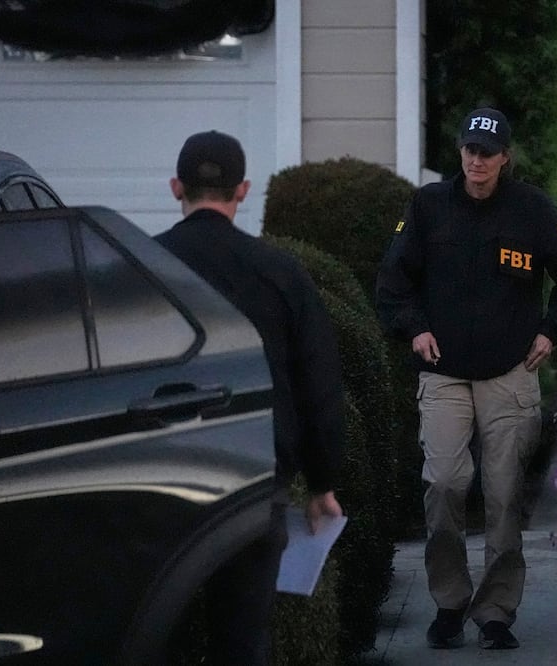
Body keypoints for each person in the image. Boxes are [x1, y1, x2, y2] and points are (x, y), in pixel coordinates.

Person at [375, 108, 557, 650]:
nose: (477, 160)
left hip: (510, 373)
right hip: (444, 371)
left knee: (503, 494)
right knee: (444, 483)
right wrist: (414, 329)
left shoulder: (534, 211)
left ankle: (495, 611)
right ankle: (449, 602)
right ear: (461, 152)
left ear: (505, 159)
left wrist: (553, 332)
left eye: (488, 152)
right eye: (470, 149)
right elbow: (392, 280)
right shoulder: (427, 206)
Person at [155, 130, 345, 665]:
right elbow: (319, 384)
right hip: (255, 474)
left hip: (163, 474)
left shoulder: (146, 267)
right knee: (242, 639)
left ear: (176, 188)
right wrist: (324, 481)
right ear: (243, 190)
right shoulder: (282, 273)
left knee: (156, 634)